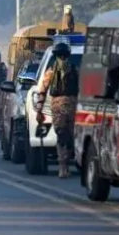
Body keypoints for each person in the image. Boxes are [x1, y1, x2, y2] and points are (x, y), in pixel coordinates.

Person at [34, 41, 79, 178]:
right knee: (67, 136)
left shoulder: (51, 72)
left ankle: (63, 166)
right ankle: (65, 165)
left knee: (62, 136)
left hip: (59, 107)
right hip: (72, 106)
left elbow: (42, 91)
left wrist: (39, 110)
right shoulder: (74, 70)